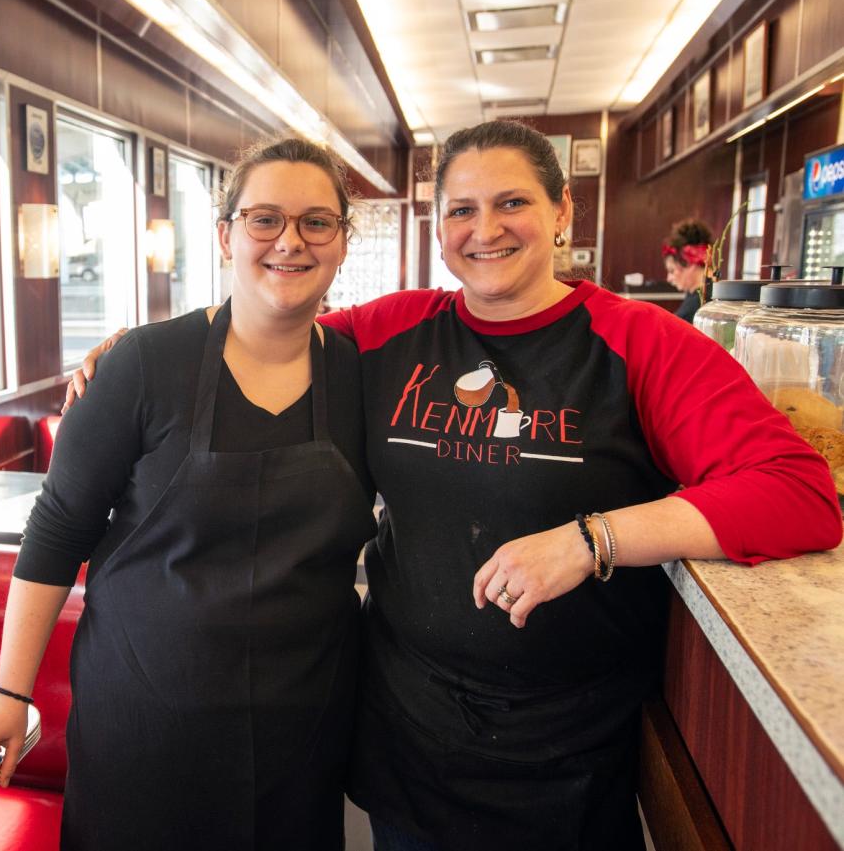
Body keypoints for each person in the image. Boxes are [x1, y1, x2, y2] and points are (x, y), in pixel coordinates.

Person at [67, 121, 841, 850]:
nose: (486, 228)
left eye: (513, 203)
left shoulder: (641, 342)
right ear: (439, 228)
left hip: (564, 753)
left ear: (561, 209)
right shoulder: (393, 332)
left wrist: (593, 539)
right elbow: (262, 324)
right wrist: (142, 353)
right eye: (461, 209)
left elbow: (798, 491)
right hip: (409, 735)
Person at [0, 136, 376, 851]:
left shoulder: (364, 375)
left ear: (341, 241)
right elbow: (59, 526)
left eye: (317, 222)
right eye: (264, 219)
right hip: (145, 720)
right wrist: (9, 692)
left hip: (301, 727)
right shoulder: (144, 364)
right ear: (225, 235)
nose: (290, 242)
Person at [662, 218, 713, 322]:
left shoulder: (694, 309)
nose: (669, 278)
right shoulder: (715, 292)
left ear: (690, 263)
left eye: (672, 270)